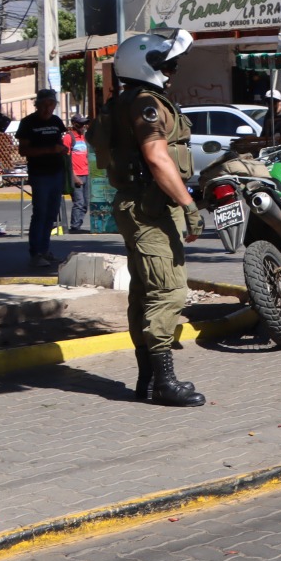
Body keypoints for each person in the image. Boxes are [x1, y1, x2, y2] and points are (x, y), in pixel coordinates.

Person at [104, 29, 206, 407]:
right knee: (167, 291)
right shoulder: (146, 103)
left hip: (135, 205)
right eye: (166, 64)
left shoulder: (122, 101)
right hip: (150, 209)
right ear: (145, 66)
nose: (172, 71)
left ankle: (147, 379)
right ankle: (163, 382)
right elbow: (157, 157)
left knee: (145, 293)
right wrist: (189, 205)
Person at [17, 89, 68, 269]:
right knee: (40, 213)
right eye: (44, 105)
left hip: (57, 172)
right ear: (37, 105)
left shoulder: (56, 122)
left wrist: (62, 149)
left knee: (51, 214)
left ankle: (45, 249)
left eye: (51, 104)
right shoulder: (28, 123)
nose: (48, 109)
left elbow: (61, 142)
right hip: (40, 173)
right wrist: (49, 150)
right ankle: (35, 253)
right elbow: (23, 150)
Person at [64, 113, 92, 233]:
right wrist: (73, 176)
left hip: (86, 173)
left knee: (85, 202)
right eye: (81, 124)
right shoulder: (68, 137)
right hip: (76, 175)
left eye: (85, 124)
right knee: (79, 202)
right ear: (75, 124)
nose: (83, 126)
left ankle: (78, 224)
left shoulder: (84, 138)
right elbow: (65, 159)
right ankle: (75, 227)